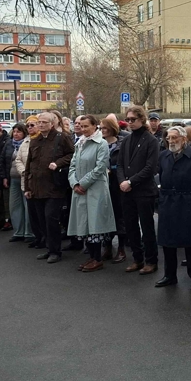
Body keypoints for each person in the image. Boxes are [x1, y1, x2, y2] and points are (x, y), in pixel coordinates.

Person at [155, 126, 191, 290]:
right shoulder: (163, 155)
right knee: (168, 242)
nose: (171, 141)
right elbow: (159, 176)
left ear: (184, 139)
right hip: (168, 202)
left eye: (174, 138)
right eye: (168, 138)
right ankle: (170, 275)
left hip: (189, 202)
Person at [67, 114, 116, 272]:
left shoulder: (101, 143)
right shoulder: (79, 143)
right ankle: (91, 257)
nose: (83, 129)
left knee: (94, 224)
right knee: (84, 224)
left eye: (86, 126)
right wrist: (74, 183)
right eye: (81, 126)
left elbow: (100, 167)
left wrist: (84, 183)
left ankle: (97, 258)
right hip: (80, 190)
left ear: (95, 126)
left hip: (95, 189)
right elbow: (72, 165)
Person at [24, 111, 74, 262]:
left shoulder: (61, 138)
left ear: (52, 124)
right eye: (39, 122)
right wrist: (27, 187)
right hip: (37, 187)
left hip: (54, 187)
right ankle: (49, 247)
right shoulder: (36, 140)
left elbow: (72, 154)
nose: (40, 124)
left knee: (51, 218)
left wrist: (58, 163)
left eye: (44, 122)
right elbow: (29, 164)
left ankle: (55, 251)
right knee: (42, 220)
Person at [118, 105, 160, 275]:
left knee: (147, 226)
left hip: (144, 190)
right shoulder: (126, 140)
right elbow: (120, 164)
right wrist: (122, 181)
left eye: (133, 119)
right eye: (127, 120)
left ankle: (151, 261)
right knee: (130, 226)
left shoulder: (151, 141)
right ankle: (137, 258)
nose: (130, 122)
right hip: (127, 191)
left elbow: (151, 168)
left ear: (142, 120)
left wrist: (131, 181)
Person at [101, 117, 128, 262]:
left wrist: (113, 171)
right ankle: (107, 247)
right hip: (102, 185)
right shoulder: (100, 144)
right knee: (105, 216)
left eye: (104, 128)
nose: (102, 131)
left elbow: (124, 164)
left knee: (119, 216)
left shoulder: (121, 144)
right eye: (100, 128)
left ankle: (122, 249)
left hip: (116, 185)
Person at [4, 123, 32, 244]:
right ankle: (18, 231)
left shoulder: (28, 143)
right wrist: (4, 177)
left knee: (27, 206)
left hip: (24, 178)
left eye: (19, 132)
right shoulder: (9, 144)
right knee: (15, 206)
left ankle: (29, 232)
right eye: (14, 131)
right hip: (13, 178)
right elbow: (3, 161)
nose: (16, 134)